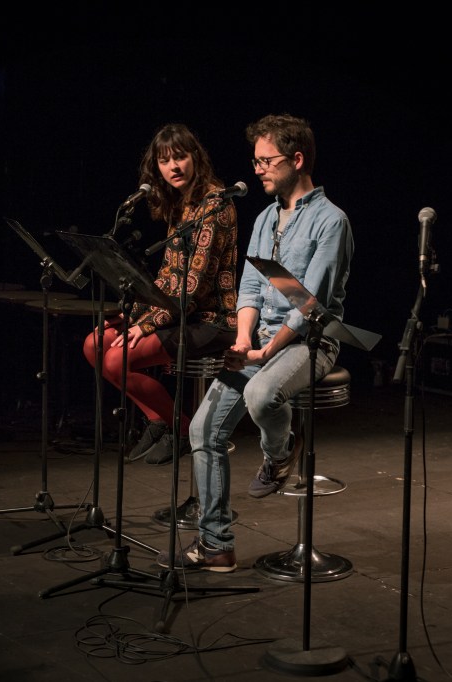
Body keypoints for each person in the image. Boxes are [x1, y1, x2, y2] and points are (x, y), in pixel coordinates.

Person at [157, 113, 354, 573]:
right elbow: (249, 288)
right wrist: (244, 340)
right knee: (202, 430)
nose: (259, 169)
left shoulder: (331, 221)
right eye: (256, 161)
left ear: (296, 160)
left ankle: (279, 454)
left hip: (310, 341)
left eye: (267, 161)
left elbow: (309, 305)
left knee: (261, 393)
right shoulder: (266, 218)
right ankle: (216, 545)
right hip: (261, 337)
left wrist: (267, 351)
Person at [82, 123, 238, 465]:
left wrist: (147, 324)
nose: (173, 167)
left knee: (116, 359)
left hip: (211, 319)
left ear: (195, 157)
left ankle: (180, 428)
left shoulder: (215, 206)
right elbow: (167, 278)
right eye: (165, 161)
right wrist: (133, 315)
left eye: (180, 157)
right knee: (94, 344)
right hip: (178, 313)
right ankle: (157, 419)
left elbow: (192, 289)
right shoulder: (181, 205)